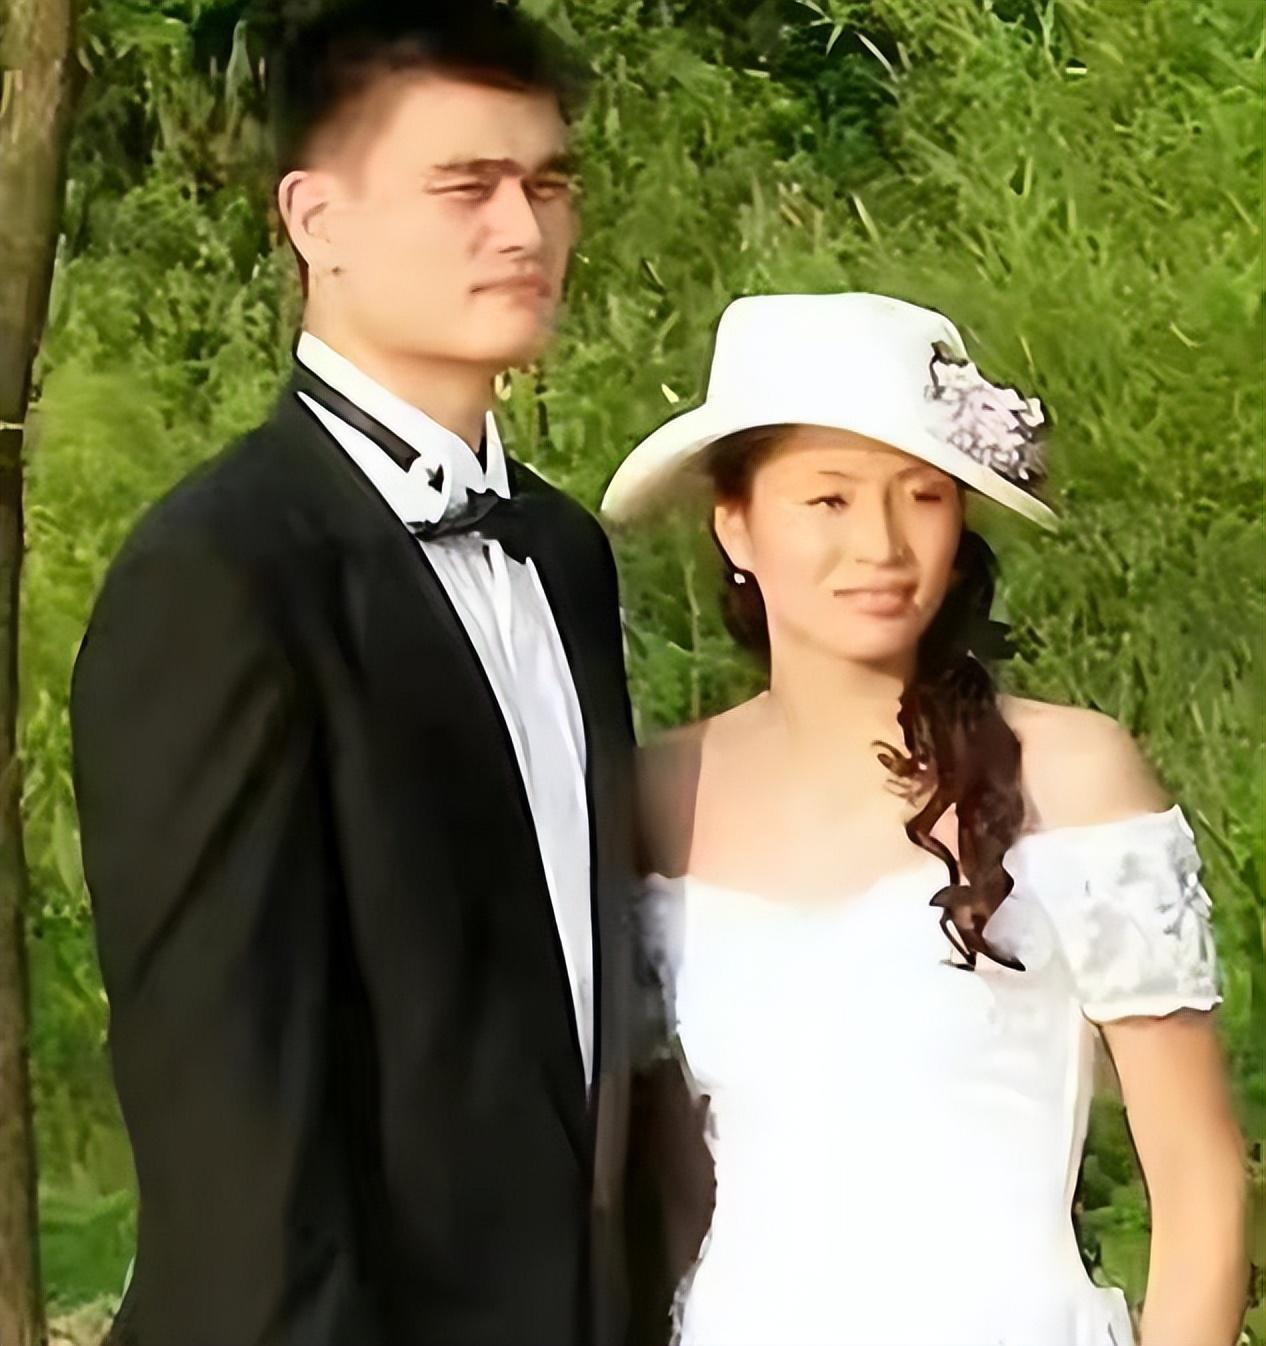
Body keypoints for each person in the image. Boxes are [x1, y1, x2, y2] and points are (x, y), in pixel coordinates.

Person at [69, 5, 635, 1344]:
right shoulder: (219, 571)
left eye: (547, 182)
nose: (524, 227)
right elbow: (226, 1094)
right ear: (315, 219)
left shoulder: (564, 551)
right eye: (466, 187)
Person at [604, 293, 1248, 1346]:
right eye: (829, 498)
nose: (882, 544)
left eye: (923, 495)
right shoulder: (653, 794)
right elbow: (664, 1192)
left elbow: (1201, 1185)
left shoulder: (1071, 776)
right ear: (736, 522)